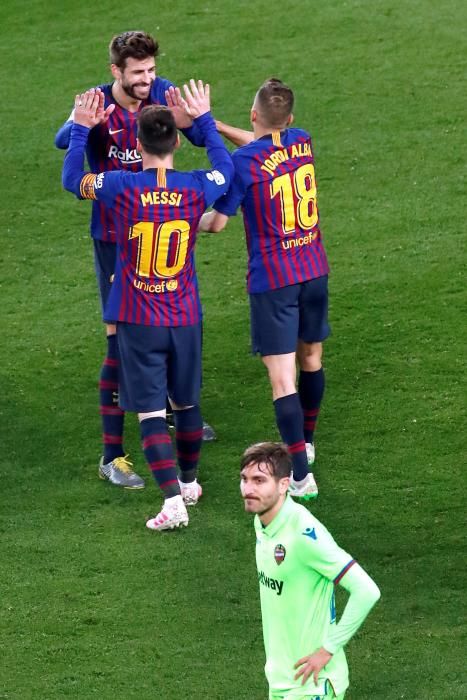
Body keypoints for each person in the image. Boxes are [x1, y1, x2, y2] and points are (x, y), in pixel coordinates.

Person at [62, 80, 233, 530]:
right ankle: (191, 482)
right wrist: (206, 121)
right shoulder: (197, 186)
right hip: (186, 314)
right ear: (176, 141)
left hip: (139, 317)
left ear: (137, 145)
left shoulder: (120, 185)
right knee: (187, 405)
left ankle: (173, 502)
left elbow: (70, 180)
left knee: (152, 413)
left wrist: (81, 130)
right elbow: (228, 171)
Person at [199, 78, 329, 499]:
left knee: (281, 379)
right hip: (313, 269)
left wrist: (189, 221)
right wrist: (217, 125)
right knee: (310, 357)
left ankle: (302, 475)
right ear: (288, 121)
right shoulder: (303, 140)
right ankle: (305, 441)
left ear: (254, 115)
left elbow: (218, 223)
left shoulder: (243, 164)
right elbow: (265, 144)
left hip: (274, 280)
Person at [240, 442, 380, 699]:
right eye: (245, 479)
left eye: (259, 480)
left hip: (313, 685)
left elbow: (367, 591)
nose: (248, 489)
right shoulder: (262, 523)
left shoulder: (304, 535)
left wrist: (328, 649)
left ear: (283, 485)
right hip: (282, 679)